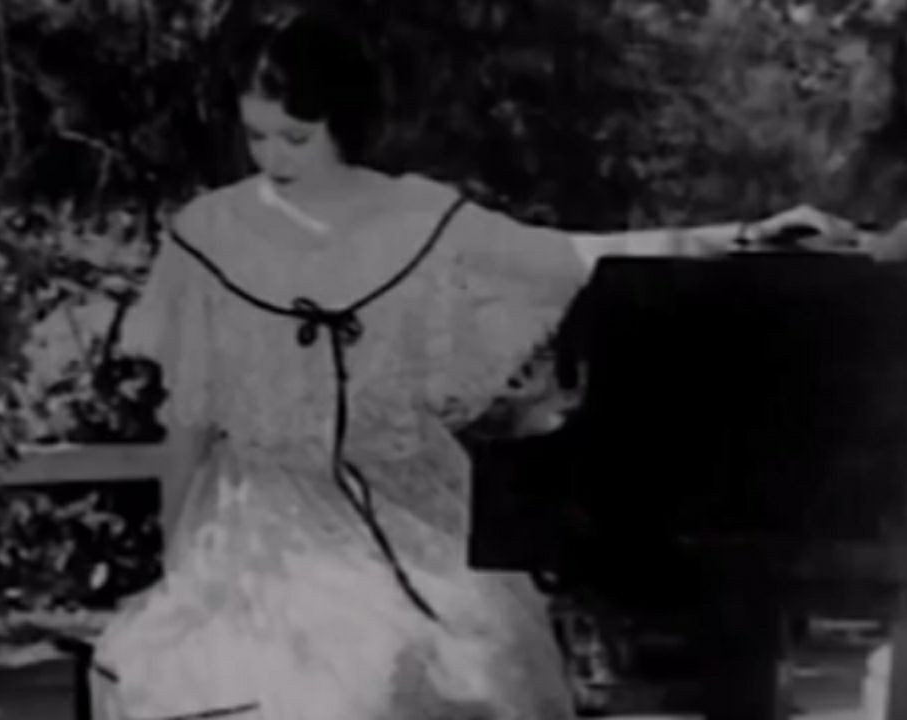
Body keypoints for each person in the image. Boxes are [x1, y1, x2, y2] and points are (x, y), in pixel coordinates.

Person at [89, 8, 859, 719]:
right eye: (257, 137)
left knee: (445, 664)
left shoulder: (416, 216)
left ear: (346, 122)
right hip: (258, 527)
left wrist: (739, 234)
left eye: (296, 137)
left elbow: (572, 255)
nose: (273, 158)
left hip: (404, 503)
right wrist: (175, 564)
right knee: (283, 676)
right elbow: (187, 418)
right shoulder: (211, 233)